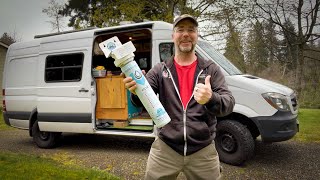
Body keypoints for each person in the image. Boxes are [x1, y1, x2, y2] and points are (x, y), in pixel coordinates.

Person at [123, 14, 235, 180]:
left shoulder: (211, 69)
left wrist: (211, 98)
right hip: (165, 149)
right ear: (173, 36)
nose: (185, 34)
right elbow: (142, 101)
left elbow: (229, 103)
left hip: (203, 151)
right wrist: (136, 91)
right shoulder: (160, 70)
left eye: (191, 30)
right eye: (180, 29)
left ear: (197, 35)